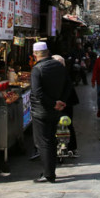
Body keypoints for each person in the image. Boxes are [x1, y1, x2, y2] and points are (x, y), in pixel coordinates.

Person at [29, 42, 67, 183]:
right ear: (48, 51)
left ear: (35, 54)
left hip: (41, 111)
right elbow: (68, 85)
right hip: (55, 110)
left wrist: (53, 103)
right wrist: (60, 101)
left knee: (43, 142)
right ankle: (50, 170)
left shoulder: (37, 69)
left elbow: (37, 92)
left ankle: (48, 174)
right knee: (51, 139)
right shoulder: (59, 65)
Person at [52, 55, 80, 156]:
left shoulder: (63, 75)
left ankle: (72, 147)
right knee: (67, 124)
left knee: (67, 124)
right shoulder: (63, 73)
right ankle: (71, 147)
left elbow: (68, 90)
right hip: (62, 103)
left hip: (65, 104)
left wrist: (61, 102)